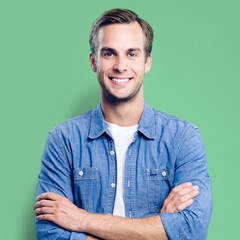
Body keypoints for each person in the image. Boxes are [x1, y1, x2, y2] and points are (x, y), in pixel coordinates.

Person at [34, 8, 212, 240]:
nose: (120, 65)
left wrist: (80, 219)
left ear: (147, 62)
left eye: (132, 54)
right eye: (109, 54)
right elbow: (50, 236)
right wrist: (159, 229)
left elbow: (192, 230)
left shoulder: (182, 138)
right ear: (93, 61)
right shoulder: (63, 140)